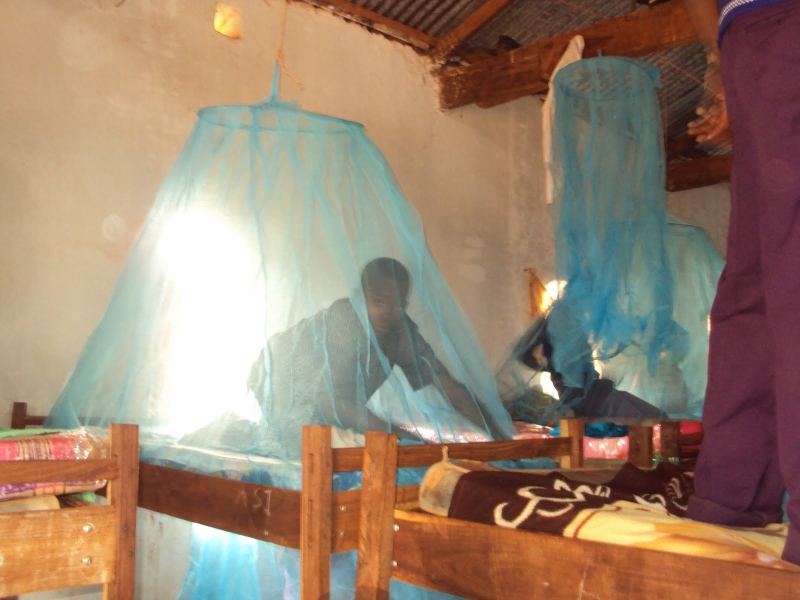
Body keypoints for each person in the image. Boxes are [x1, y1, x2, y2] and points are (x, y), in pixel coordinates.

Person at [682, 0, 800, 565]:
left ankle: (729, 506)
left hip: (748, 35)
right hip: (773, 30)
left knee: (756, 284)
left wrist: (724, 64)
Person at [248, 257, 508, 442]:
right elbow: (335, 402)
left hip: (330, 402)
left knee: (354, 440)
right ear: (360, 298)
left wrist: (498, 438)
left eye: (398, 305)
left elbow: (448, 386)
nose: (388, 312)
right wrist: (402, 436)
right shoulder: (344, 322)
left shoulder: (402, 331)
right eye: (378, 302)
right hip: (277, 378)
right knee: (305, 443)